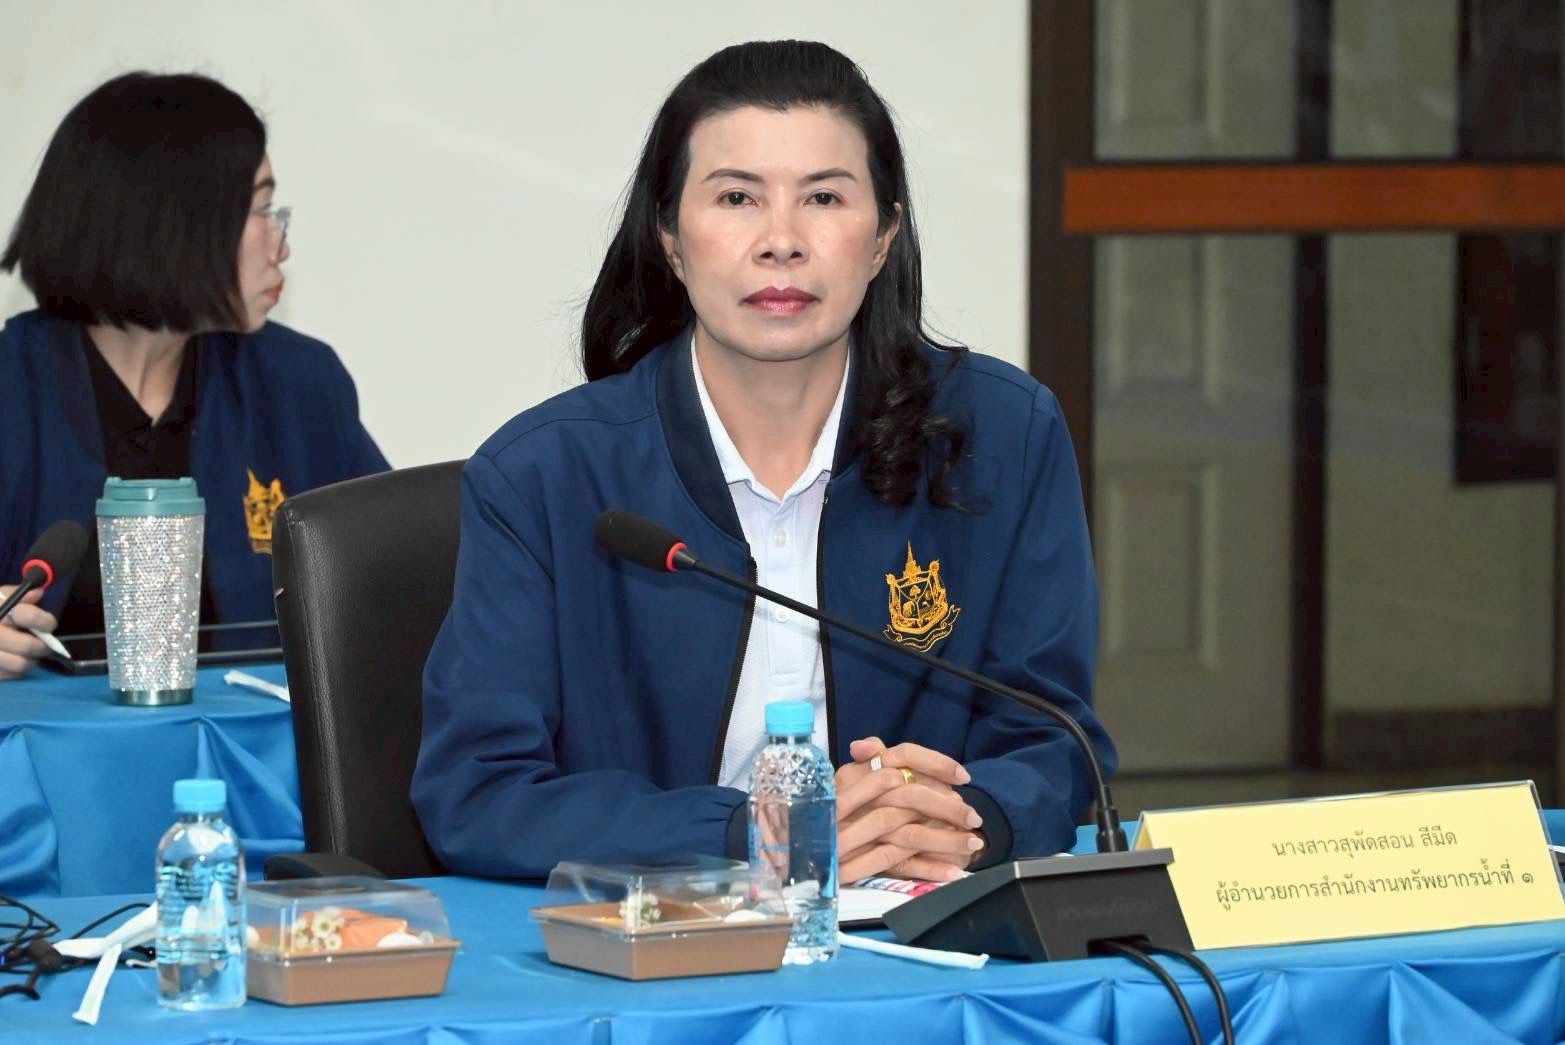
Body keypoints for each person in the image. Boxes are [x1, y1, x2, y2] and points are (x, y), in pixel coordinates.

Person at [414, 39, 1115, 883]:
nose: (781, 241)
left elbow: (1053, 737)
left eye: (823, 197)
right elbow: (478, 792)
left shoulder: (1000, 437)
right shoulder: (545, 475)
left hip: (921, 923)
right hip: (662, 941)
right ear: (671, 237)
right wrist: (751, 834)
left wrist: (972, 820)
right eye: (737, 197)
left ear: (882, 236)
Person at [0, 72, 387, 679]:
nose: (282, 245)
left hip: (254, 738)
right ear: (171, 225)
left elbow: (396, 578)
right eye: (262, 211)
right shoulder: (12, 390)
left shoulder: (299, 386)